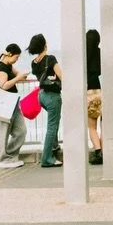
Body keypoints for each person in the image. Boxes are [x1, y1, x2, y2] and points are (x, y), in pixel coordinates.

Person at [27, 34, 64, 168]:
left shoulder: (34, 62)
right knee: (52, 126)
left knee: (53, 123)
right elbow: (61, 75)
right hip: (52, 95)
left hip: (41, 95)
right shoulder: (50, 59)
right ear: (44, 45)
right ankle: (47, 158)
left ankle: (54, 147)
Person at [0, 43, 29, 169]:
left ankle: (10, 156)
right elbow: (4, 85)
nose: (17, 60)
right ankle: (3, 159)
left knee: (21, 131)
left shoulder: (9, 66)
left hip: (13, 102)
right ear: (10, 54)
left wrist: (21, 76)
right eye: (16, 57)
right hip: (4, 104)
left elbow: (18, 75)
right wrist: (18, 79)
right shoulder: (1, 68)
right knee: (3, 132)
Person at [85, 28, 103, 165]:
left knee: (92, 126)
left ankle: (98, 151)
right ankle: (103, 150)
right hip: (101, 91)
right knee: (104, 124)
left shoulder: (83, 55)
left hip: (89, 92)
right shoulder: (99, 53)